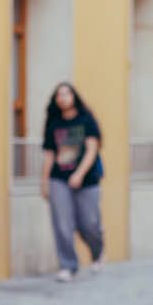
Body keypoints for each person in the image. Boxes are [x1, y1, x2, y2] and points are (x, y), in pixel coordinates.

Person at [40, 81, 105, 281]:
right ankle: (68, 265)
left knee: (89, 223)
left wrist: (79, 174)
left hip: (87, 180)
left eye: (66, 93)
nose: (63, 97)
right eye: (59, 94)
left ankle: (97, 250)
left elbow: (92, 149)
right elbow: (50, 155)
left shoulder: (86, 120)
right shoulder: (53, 124)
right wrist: (44, 182)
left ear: (74, 96)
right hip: (59, 178)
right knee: (62, 223)